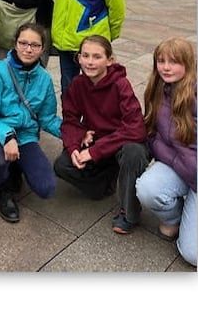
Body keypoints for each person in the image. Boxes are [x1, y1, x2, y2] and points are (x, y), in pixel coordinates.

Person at [53, 36, 149, 234]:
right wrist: (75, 144)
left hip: (121, 142)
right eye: (85, 56)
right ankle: (106, 183)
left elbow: (136, 128)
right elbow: (70, 120)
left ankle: (129, 212)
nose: (90, 61)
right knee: (62, 165)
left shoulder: (120, 85)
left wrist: (95, 152)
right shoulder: (78, 84)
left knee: (134, 153)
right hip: (98, 142)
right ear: (78, 58)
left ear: (109, 60)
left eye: (97, 56)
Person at [0, 23, 63, 222]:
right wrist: (7, 135)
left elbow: (47, 118)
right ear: (15, 44)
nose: (28, 49)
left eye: (34, 45)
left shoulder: (44, 79)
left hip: (26, 136)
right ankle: (3, 187)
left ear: (42, 49)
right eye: (23, 43)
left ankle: (16, 166)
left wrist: (73, 134)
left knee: (46, 188)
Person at [136, 38, 197, 266]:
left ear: (188, 64)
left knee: (194, 255)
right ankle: (177, 217)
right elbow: (150, 131)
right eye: (161, 61)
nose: (166, 67)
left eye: (173, 61)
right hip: (180, 166)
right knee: (147, 188)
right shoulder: (157, 89)